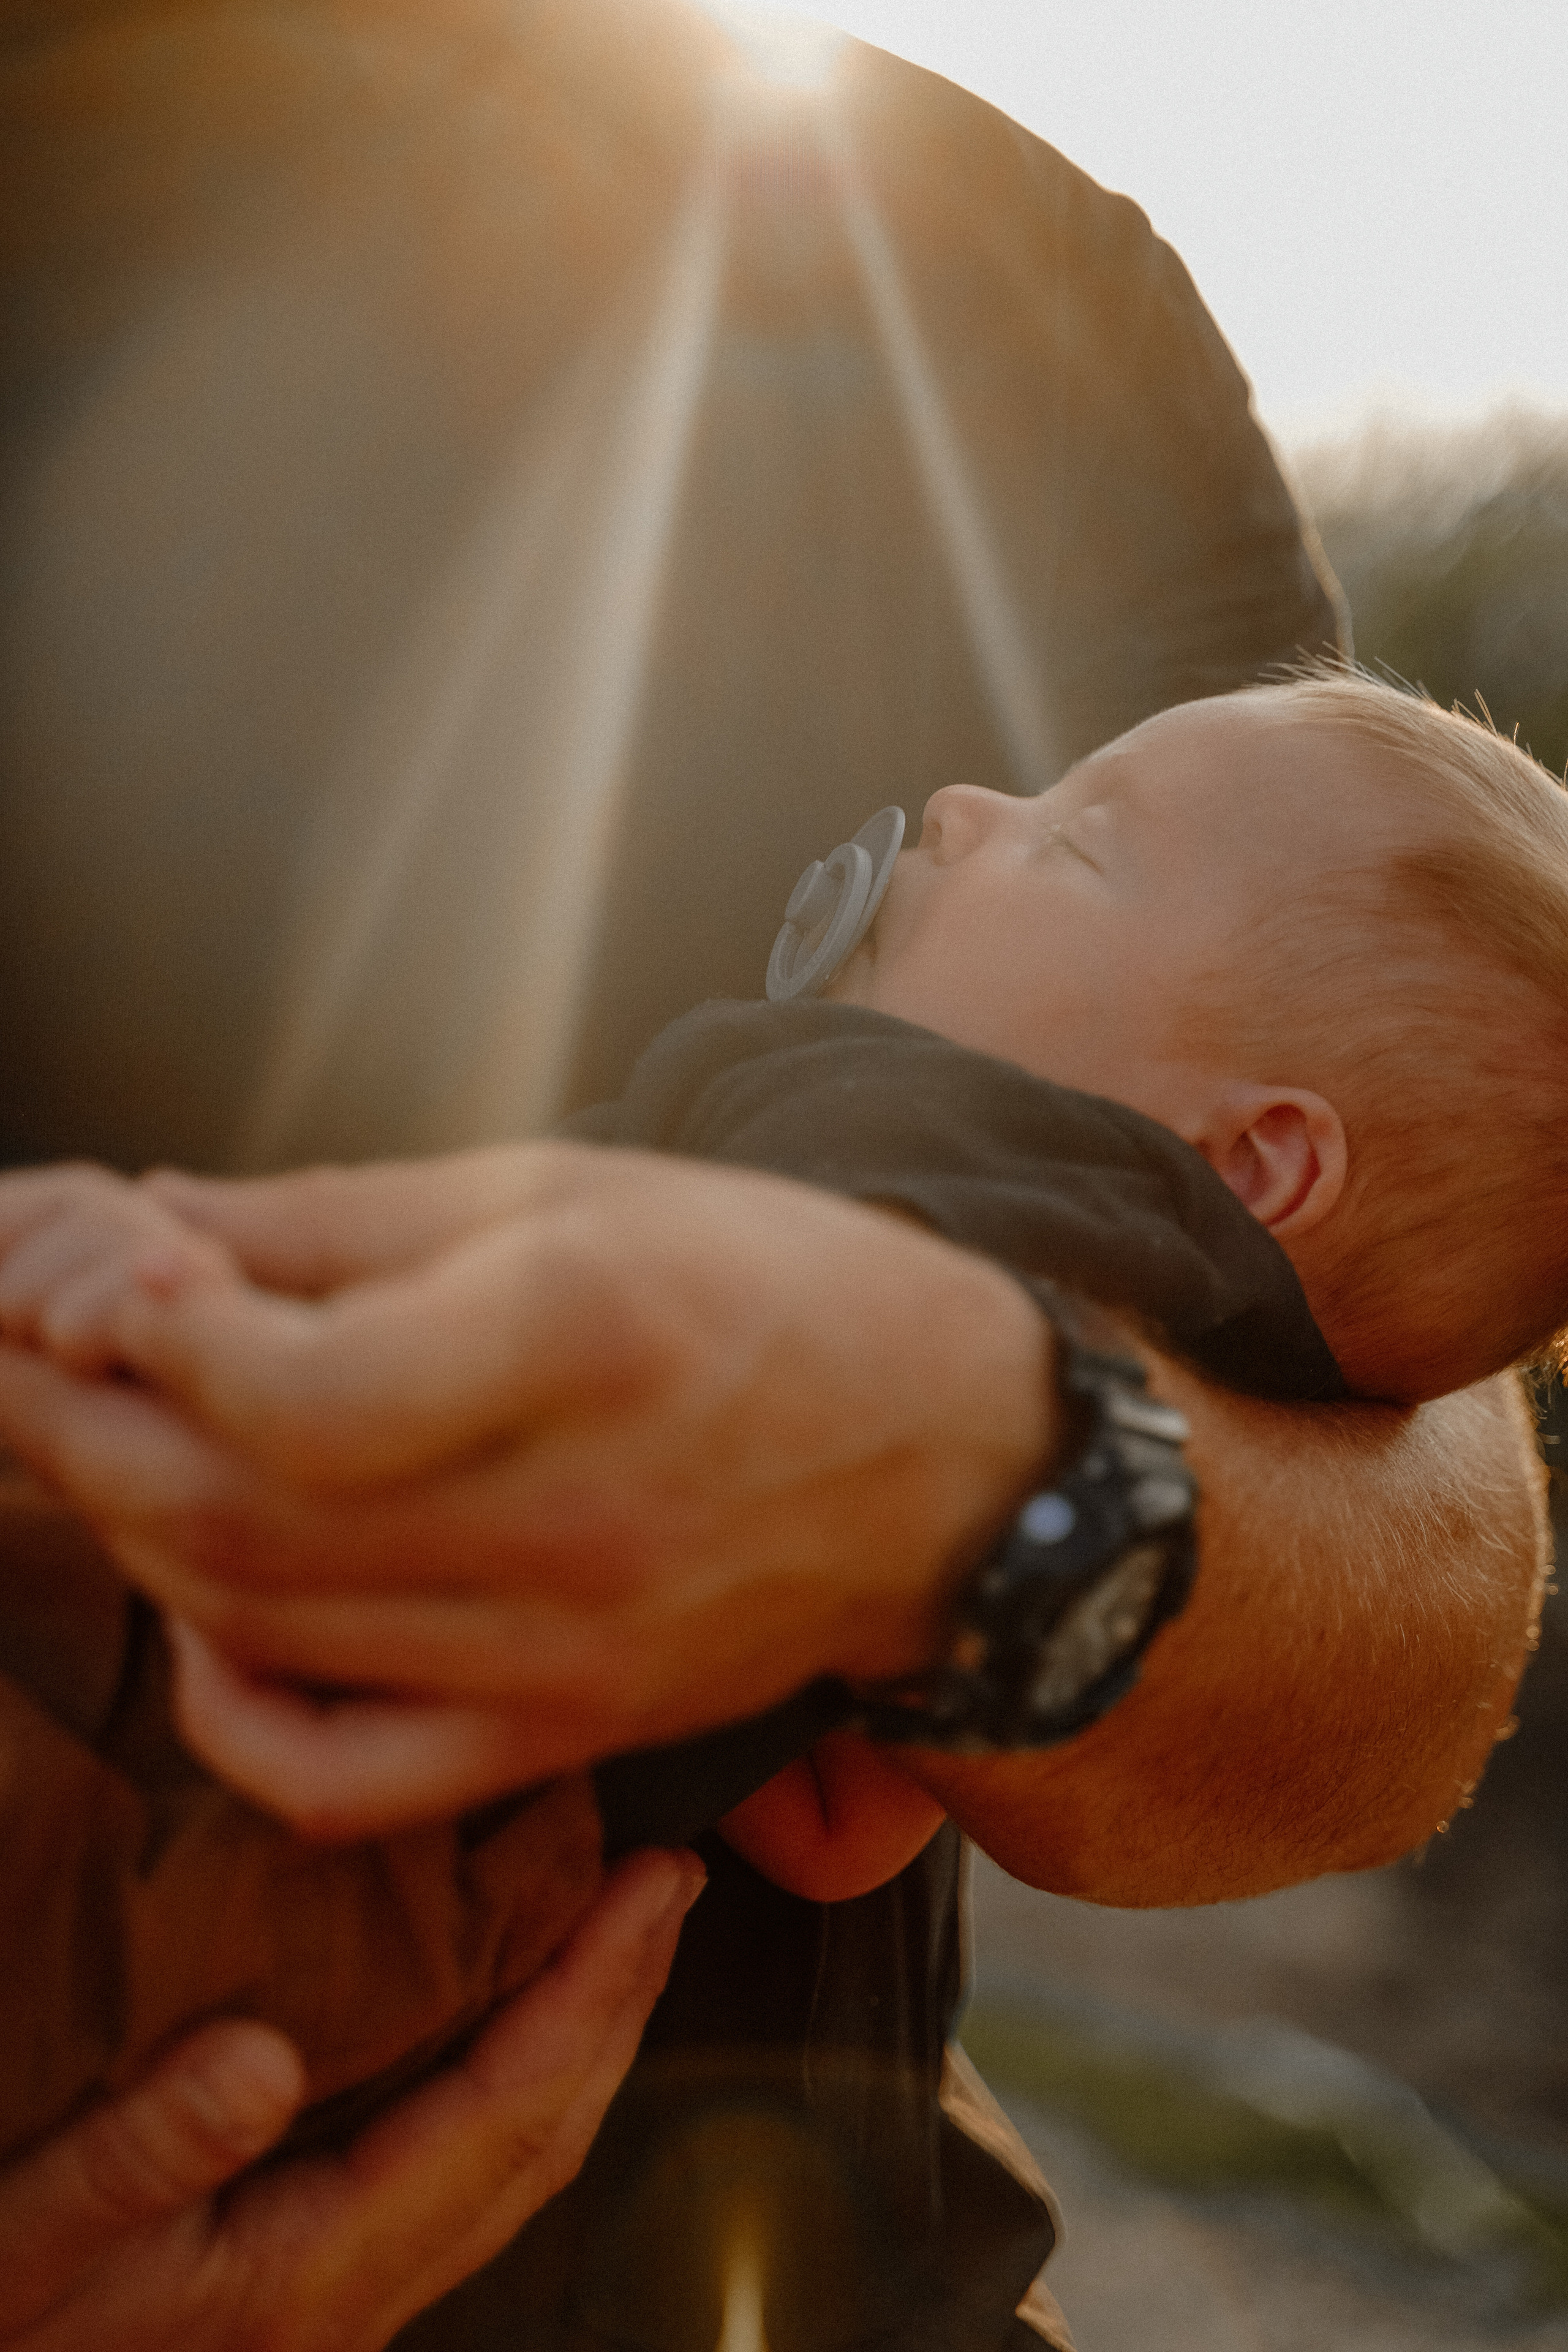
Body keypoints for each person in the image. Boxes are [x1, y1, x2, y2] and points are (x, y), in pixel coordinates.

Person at [0, 668, 1554, 2342]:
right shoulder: (1088, 1244)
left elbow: (506, 1316)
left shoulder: (908, 1131)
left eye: (1080, 848)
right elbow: (838, 1830)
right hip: (426, 1930)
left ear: (1259, 1162)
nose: (965, 806)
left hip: (235, 1731)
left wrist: (187, 1291)